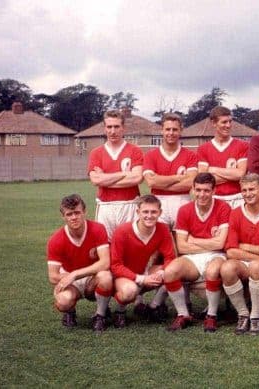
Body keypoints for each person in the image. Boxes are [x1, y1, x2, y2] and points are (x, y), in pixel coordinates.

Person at [163, 173, 231, 331]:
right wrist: (210, 243)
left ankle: (211, 316)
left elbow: (221, 244)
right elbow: (182, 246)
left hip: (217, 255)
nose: (202, 194)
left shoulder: (223, 207)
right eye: (198, 190)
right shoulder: (185, 209)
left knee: (213, 271)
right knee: (170, 272)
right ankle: (183, 314)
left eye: (206, 190)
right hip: (192, 257)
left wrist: (193, 240)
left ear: (214, 190)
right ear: (192, 189)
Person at [220, 173, 259, 335]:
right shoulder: (235, 213)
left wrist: (246, 246)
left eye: (252, 189)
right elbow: (231, 250)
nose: (247, 194)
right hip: (246, 261)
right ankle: (243, 314)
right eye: (244, 190)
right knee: (227, 268)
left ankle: (256, 316)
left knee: (256, 266)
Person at [46, 194, 113, 332]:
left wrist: (76, 274)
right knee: (62, 302)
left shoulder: (98, 228)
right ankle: (70, 312)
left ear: (84, 212)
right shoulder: (56, 239)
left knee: (106, 277)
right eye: (69, 214)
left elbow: (105, 263)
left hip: (90, 276)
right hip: (70, 280)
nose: (74, 217)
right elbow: (52, 276)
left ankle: (100, 315)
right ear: (63, 217)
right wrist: (70, 277)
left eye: (77, 212)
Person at [110, 195, 176, 329]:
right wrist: (140, 279)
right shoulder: (123, 231)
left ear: (160, 213)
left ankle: (153, 307)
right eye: (145, 212)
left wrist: (162, 272)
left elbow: (170, 257)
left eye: (154, 212)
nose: (149, 216)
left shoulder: (162, 229)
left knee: (174, 271)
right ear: (138, 212)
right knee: (129, 291)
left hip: (144, 270)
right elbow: (115, 265)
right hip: (123, 276)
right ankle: (120, 311)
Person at [88, 110, 144, 239]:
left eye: (116, 126)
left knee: (131, 246)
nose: (113, 131)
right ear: (104, 128)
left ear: (123, 128)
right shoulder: (96, 152)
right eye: (109, 127)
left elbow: (137, 177)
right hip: (105, 206)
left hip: (130, 204)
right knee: (105, 246)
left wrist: (105, 179)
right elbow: (96, 180)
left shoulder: (135, 150)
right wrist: (124, 174)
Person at [143, 113, 198, 228]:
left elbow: (190, 183)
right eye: (168, 129)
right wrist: (178, 177)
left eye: (175, 129)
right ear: (161, 130)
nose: (171, 133)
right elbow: (151, 182)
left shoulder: (190, 155)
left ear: (181, 130)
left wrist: (160, 182)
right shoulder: (150, 155)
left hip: (182, 200)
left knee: (181, 242)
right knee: (160, 242)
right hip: (158, 202)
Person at [197, 106, 249, 208]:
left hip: (238, 198)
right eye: (224, 122)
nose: (228, 125)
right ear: (213, 123)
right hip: (214, 198)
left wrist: (212, 169)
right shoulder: (203, 149)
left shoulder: (243, 145)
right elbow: (204, 180)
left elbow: (240, 174)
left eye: (230, 121)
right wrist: (231, 175)